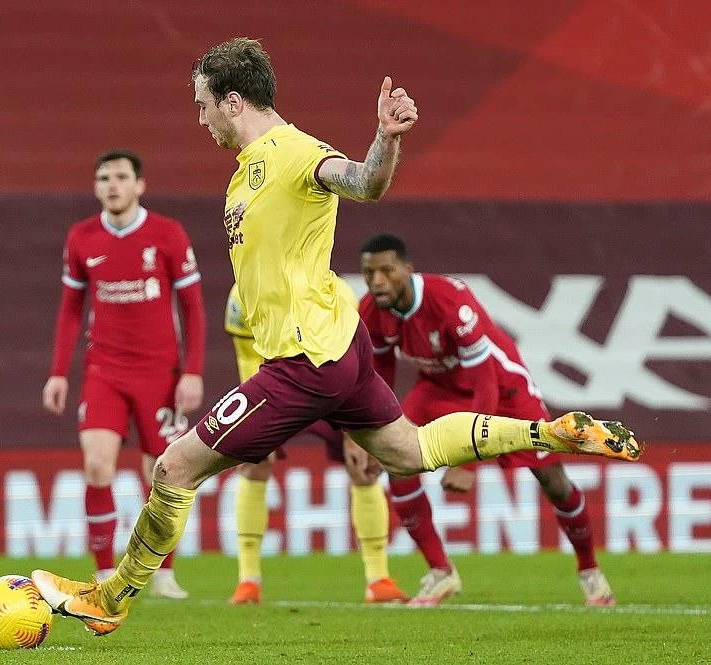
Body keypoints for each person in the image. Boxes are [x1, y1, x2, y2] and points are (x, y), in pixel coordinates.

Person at [32, 38, 641, 636]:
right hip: (339, 347)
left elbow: (362, 181)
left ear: (234, 101)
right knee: (409, 451)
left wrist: (385, 140)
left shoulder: (295, 152)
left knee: (173, 469)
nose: (200, 118)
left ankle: (112, 597)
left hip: (305, 361)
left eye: (203, 104)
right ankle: (550, 431)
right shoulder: (244, 173)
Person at [359, 233, 616, 606]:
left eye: (386, 270)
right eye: (369, 273)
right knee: (395, 458)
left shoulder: (448, 301)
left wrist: (469, 461)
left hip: (502, 388)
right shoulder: (371, 311)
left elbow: (484, 383)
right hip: (438, 388)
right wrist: (371, 434)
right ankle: (441, 572)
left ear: (407, 269)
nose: (377, 281)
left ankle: (590, 571)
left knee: (552, 480)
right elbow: (378, 370)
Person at [41, 149, 206, 600]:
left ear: (139, 185)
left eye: (120, 177)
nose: (111, 185)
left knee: (165, 473)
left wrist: (192, 372)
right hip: (104, 370)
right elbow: (71, 310)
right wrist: (58, 373)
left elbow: (192, 308)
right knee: (96, 465)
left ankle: (164, 573)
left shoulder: (167, 235)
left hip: (159, 373)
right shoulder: (82, 238)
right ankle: (102, 573)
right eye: (103, 178)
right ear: (95, 187)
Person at [225, 279, 408, 605]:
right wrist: (252, 424)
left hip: (332, 390)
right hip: (275, 388)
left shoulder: (336, 293)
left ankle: (378, 579)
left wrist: (355, 432)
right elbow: (247, 357)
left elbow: (356, 361)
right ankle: (248, 581)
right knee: (254, 464)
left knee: (363, 466)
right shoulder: (243, 293)